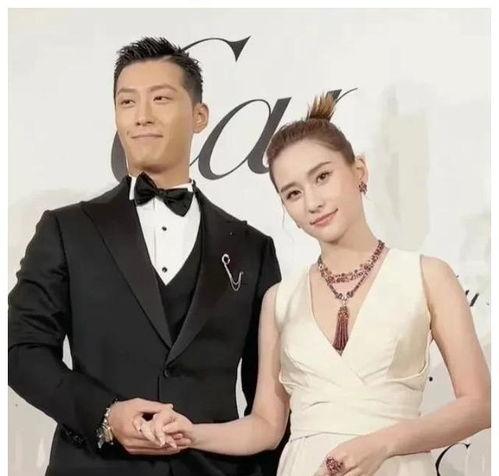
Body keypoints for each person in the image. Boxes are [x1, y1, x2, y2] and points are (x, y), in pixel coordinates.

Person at [140, 93, 491, 476]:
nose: (312, 202)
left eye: (322, 177)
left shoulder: (427, 276)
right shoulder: (280, 299)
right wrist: (192, 434)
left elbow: (479, 404)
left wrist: (383, 444)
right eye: (293, 193)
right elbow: (266, 426)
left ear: (359, 171)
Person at [8, 37, 286, 476]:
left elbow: (267, 405)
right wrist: (105, 415)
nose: (141, 116)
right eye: (127, 102)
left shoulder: (252, 247)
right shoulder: (65, 230)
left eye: (160, 99)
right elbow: (22, 353)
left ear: (200, 116)